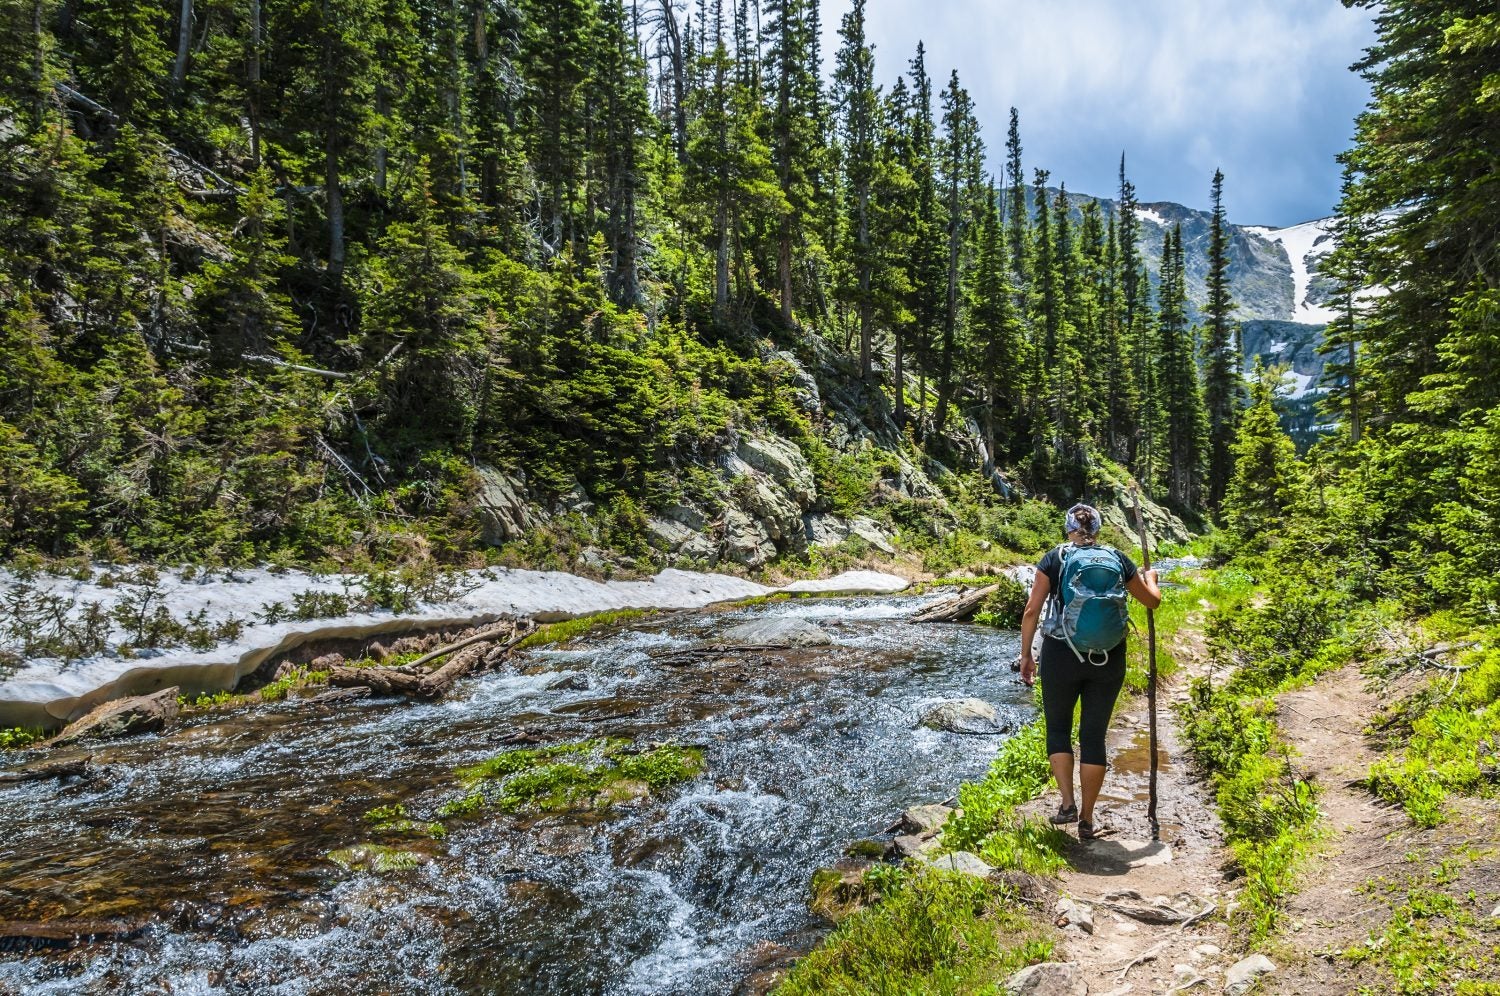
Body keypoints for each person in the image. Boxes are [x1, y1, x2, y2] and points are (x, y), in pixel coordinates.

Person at [1018, 503, 1161, 840]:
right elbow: (1152, 601)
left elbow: (1031, 611)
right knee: (1094, 736)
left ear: (1068, 529)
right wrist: (1150, 579)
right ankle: (1087, 817)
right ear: (1098, 530)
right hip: (1109, 658)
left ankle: (1066, 804)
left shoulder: (1055, 558)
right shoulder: (1119, 559)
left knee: (1058, 729)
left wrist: (1027, 656)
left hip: (1060, 653)